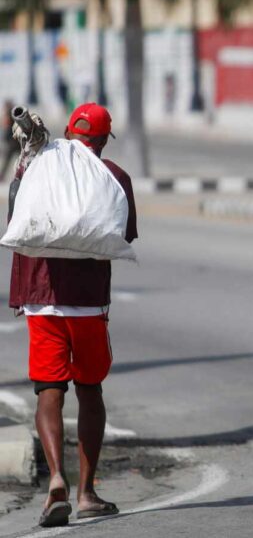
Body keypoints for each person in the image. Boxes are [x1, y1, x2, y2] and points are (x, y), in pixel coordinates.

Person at [9, 103, 138, 527]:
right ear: (102, 141)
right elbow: (122, 234)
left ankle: (56, 481)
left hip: (41, 299)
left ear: (69, 131)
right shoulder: (115, 178)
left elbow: (18, 217)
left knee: (49, 390)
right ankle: (87, 493)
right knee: (90, 389)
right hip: (87, 304)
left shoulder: (37, 166)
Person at [0, 100, 21, 181]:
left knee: (22, 159)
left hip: (15, 142)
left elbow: (8, 128)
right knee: (9, 160)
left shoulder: (11, 115)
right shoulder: (10, 115)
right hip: (14, 142)